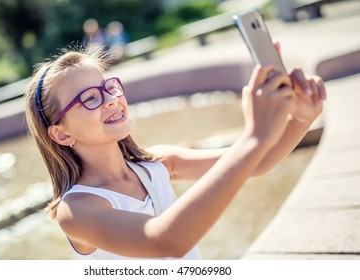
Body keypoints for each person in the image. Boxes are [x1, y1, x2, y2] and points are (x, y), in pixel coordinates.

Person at [24, 44, 326, 260]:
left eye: (109, 87)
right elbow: (165, 240)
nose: (111, 100)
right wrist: (254, 135)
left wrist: (301, 118)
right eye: (90, 98)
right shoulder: (76, 211)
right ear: (61, 133)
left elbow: (257, 164)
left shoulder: (157, 163)